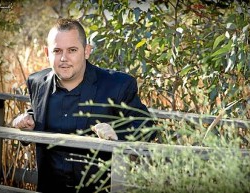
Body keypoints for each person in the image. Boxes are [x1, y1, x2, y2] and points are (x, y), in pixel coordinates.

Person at [12, 18, 155, 193]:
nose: (64, 58)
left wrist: (118, 133)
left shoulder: (118, 85)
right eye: (57, 51)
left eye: (72, 50)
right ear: (46, 53)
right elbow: (37, 112)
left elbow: (146, 126)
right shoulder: (37, 82)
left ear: (87, 51)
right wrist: (27, 119)